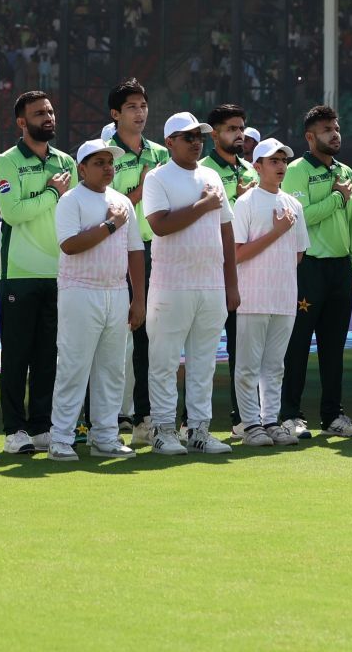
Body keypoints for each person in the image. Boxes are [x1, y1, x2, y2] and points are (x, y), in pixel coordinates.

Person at [141, 111, 236, 455]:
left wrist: (231, 284)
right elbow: (160, 225)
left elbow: (226, 230)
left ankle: (198, 429)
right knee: (164, 360)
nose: (197, 142)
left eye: (199, 137)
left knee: (204, 362)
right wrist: (203, 204)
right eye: (189, 137)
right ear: (170, 143)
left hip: (210, 283)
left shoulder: (211, 174)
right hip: (171, 283)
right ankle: (164, 430)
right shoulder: (157, 178)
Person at [52, 140, 146, 461]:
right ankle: (61, 438)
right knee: (74, 367)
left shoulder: (122, 202)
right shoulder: (70, 200)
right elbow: (70, 245)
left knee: (112, 369)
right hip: (79, 291)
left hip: (117, 292)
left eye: (110, 162)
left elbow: (135, 251)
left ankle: (105, 436)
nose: (108, 168)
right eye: (99, 162)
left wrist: (139, 299)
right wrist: (109, 225)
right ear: (81, 168)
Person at [0, 91, 74, 454]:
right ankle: (14, 430)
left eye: (51, 111)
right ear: (22, 122)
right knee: (17, 354)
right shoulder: (7, 162)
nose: (48, 117)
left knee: (47, 355)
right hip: (20, 273)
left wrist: (48, 196)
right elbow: (13, 213)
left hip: (58, 271)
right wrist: (53, 193)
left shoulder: (66, 161)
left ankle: (41, 426)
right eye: (40, 113)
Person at [279, 105, 352, 439]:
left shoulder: (346, 172)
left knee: (334, 347)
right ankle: (291, 415)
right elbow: (300, 218)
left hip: (340, 269)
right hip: (308, 268)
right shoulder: (296, 171)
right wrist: (336, 198)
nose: (335, 133)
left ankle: (332, 416)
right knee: (297, 344)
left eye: (337, 127)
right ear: (310, 137)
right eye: (327, 129)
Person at [230, 137, 307, 446]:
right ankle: (250, 424)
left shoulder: (294, 204)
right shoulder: (245, 202)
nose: (280, 166)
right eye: (273, 161)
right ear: (257, 166)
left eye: (283, 161)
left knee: (275, 365)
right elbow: (236, 253)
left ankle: (270, 420)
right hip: (252, 296)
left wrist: (281, 237)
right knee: (248, 364)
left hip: (284, 296)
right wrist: (276, 232)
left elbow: (299, 253)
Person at [106, 80, 168, 432]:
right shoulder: (103, 154)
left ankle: (144, 414)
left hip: (156, 252)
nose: (140, 112)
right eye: (131, 106)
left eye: (143, 105)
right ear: (115, 114)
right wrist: (144, 188)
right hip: (116, 252)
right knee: (115, 334)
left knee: (149, 336)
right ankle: (113, 414)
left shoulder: (160, 153)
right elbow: (107, 209)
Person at [201, 102, 253, 429]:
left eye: (241, 128)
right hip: (206, 271)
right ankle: (191, 421)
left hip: (244, 272)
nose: (239, 134)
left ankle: (242, 418)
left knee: (243, 351)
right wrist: (238, 199)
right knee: (200, 353)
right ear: (215, 134)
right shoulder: (203, 169)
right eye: (232, 129)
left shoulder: (250, 170)